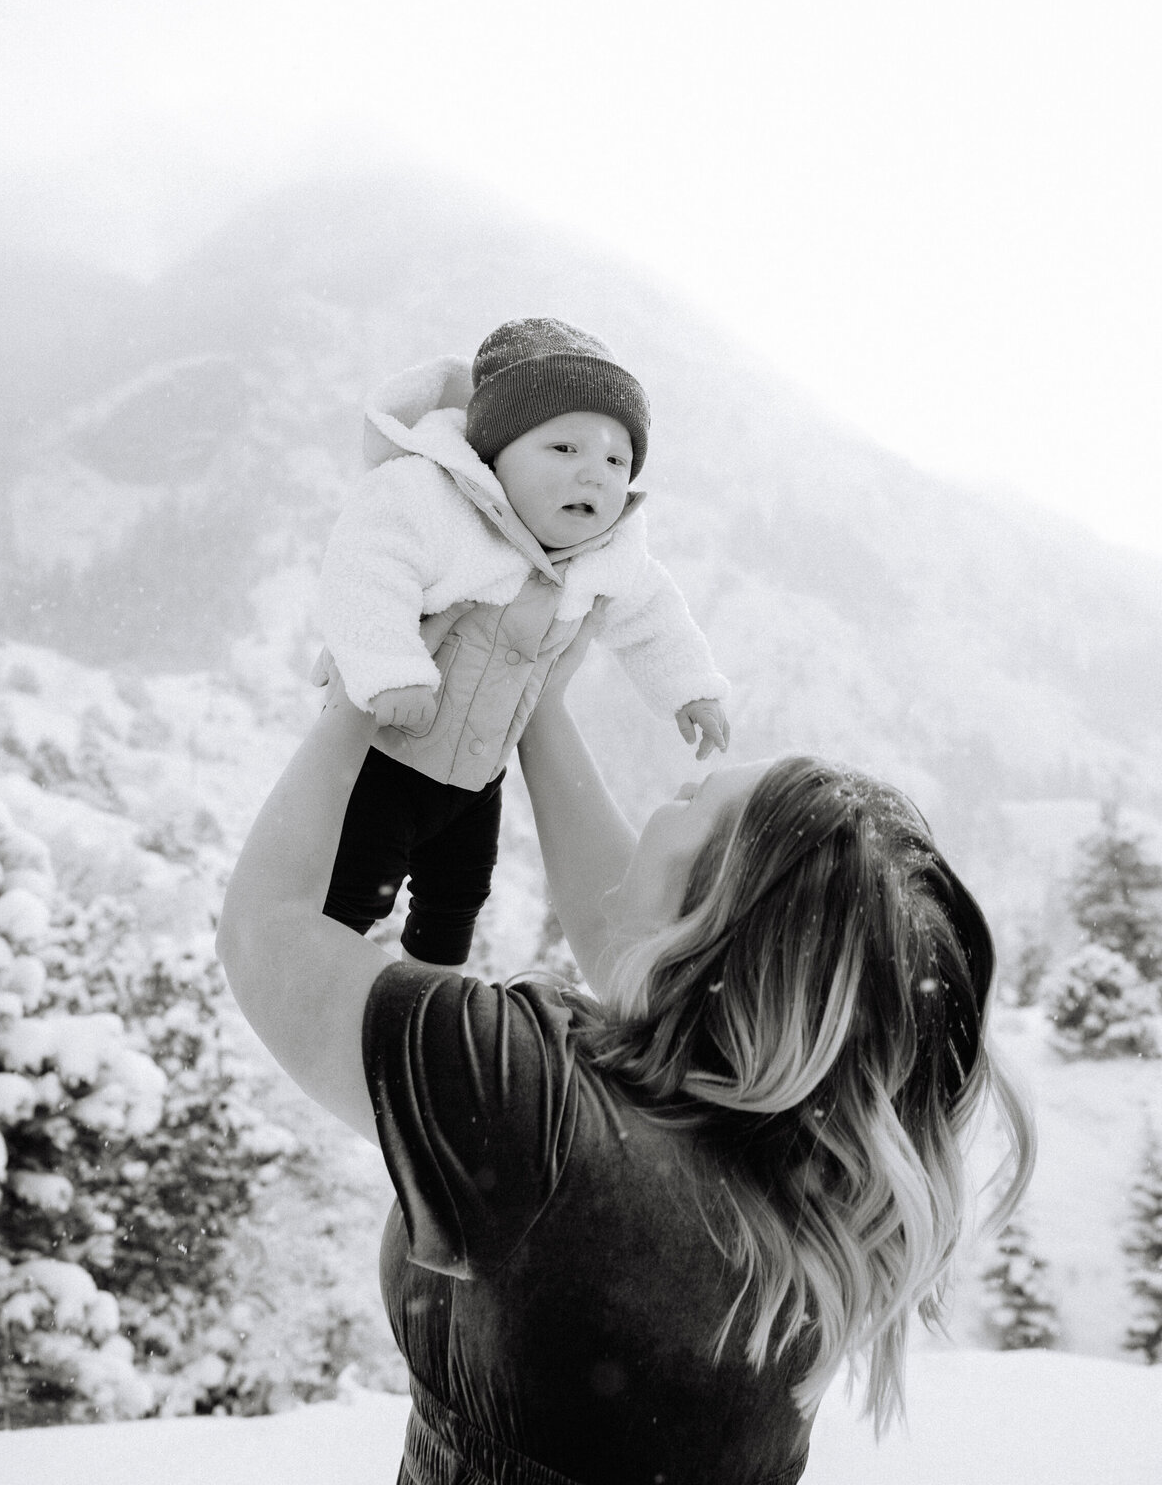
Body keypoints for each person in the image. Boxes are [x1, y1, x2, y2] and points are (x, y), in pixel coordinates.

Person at [216, 636, 1035, 1485]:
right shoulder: (810, 1179)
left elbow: (264, 930)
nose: (662, 807)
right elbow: (644, 949)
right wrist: (533, 702)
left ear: (708, 928)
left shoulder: (535, 1116)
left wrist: (362, 682)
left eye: (689, 799)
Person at [315, 316, 729, 966]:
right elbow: (366, 568)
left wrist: (690, 689)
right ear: (494, 455)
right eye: (564, 449)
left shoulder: (606, 558)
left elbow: (656, 618)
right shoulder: (437, 505)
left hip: (477, 781)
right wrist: (391, 668)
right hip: (383, 760)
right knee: (349, 891)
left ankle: (432, 994)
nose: (594, 474)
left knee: (456, 900)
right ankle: (319, 980)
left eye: (615, 460)